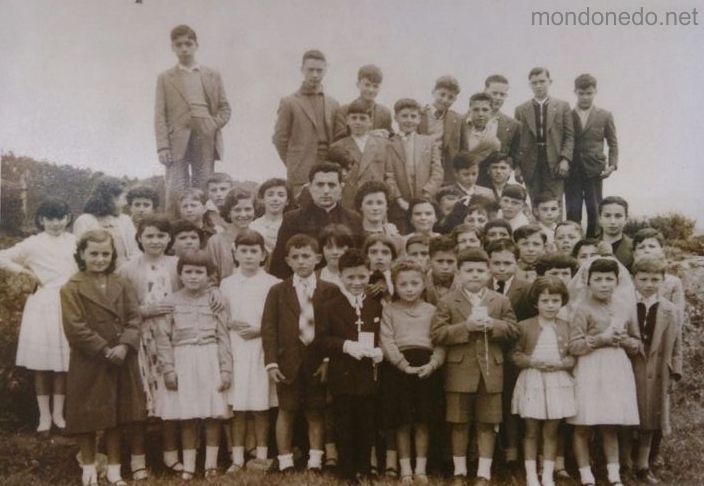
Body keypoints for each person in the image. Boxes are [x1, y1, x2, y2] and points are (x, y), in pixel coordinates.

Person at [60, 230, 146, 486]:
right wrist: (104, 349)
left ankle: (114, 471)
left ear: (112, 256)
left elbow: (134, 318)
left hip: (121, 359)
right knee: (88, 416)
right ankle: (88, 470)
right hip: (90, 361)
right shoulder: (71, 287)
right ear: (82, 255)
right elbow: (75, 327)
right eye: (94, 254)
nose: (100, 259)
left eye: (105, 254)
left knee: (116, 416)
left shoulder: (121, 283)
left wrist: (124, 345)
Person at [431, 247, 518, 485]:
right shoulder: (447, 301)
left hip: (491, 372)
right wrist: (465, 327)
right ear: (459, 273)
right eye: (469, 270)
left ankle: (484, 472)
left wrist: (494, 325)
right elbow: (437, 334)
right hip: (459, 372)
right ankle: (459, 471)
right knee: (459, 423)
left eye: (481, 270)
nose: (475, 275)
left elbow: (513, 330)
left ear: (489, 272)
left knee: (487, 423)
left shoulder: (500, 300)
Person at [0, 198, 77, 433]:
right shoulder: (33, 243)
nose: (55, 223)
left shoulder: (74, 241)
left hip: (68, 303)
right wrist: (25, 272)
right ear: (41, 220)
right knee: (43, 363)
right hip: (42, 303)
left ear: (67, 218)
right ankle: (44, 417)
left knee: (63, 363)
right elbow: (2, 257)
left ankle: (59, 415)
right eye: (50, 218)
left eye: (60, 218)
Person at [261, 234, 336, 473]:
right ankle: (285, 461)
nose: (301, 261)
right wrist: (272, 363)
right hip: (288, 361)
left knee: (316, 411)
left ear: (318, 258)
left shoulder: (329, 290)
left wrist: (327, 360)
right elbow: (269, 328)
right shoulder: (278, 291)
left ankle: (315, 460)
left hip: (317, 360)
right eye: (295, 257)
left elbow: (335, 328)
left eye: (306, 256)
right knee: (287, 410)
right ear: (287, 261)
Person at [156, 250, 232, 481]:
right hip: (183, 360)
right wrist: (168, 369)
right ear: (180, 274)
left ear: (209, 276)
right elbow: (163, 338)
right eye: (188, 272)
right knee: (186, 416)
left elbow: (223, 335)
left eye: (199, 272)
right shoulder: (170, 301)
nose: (193, 277)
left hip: (209, 358)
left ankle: (210, 464)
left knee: (212, 414)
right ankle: (189, 465)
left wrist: (226, 368)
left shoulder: (215, 300)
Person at [567, 257, 641, 486]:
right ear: (588, 282)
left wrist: (626, 341)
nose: (604, 284)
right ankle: (586, 473)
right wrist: (601, 339)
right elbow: (574, 346)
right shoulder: (582, 309)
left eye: (609, 279)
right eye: (598, 279)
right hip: (590, 367)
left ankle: (613, 474)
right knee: (583, 423)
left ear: (617, 282)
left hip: (616, 368)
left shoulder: (626, 307)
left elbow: (637, 342)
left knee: (610, 423)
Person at [116, 215, 180, 477]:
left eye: (161, 236)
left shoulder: (177, 265)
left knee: (171, 395)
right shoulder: (128, 269)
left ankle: (171, 455)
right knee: (140, 399)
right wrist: (146, 310)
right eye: (150, 236)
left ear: (169, 239)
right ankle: (138, 460)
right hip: (142, 341)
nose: (155, 241)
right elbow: (120, 310)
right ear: (139, 238)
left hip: (174, 338)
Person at [315, 249, 384, 481]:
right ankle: (346, 472)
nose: (356, 282)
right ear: (341, 276)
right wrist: (346, 346)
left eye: (362, 277)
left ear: (369, 275)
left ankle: (364, 468)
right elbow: (322, 340)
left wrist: (378, 350)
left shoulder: (375, 304)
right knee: (344, 422)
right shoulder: (329, 305)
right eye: (350, 277)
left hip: (367, 374)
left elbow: (381, 333)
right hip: (342, 375)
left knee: (367, 422)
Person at [380, 258, 446, 484]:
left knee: (422, 420)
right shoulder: (390, 310)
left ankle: (421, 469)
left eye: (414, 284)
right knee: (402, 420)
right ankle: (405, 469)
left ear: (423, 285)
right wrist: (402, 364)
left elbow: (440, 341)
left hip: (426, 368)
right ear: (395, 286)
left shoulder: (432, 310)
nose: (409, 289)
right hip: (398, 369)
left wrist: (433, 364)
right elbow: (386, 341)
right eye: (403, 284)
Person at [219, 230, 280, 472]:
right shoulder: (227, 283)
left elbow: (275, 320)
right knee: (238, 406)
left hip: (260, 349)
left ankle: (260, 457)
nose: (248, 256)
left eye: (254, 251)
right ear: (235, 253)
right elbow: (221, 315)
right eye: (243, 251)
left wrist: (259, 330)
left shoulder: (272, 283)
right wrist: (230, 322)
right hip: (235, 349)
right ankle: (237, 458)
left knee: (260, 405)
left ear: (263, 254)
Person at [155, 25, 231, 216]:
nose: (184, 48)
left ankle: (204, 230)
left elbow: (225, 108)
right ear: (172, 47)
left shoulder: (212, 75)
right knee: (175, 188)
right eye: (179, 44)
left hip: (204, 136)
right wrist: (162, 146)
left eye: (188, 44)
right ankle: (173, 233)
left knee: (204, 186)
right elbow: (159, 114)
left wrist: (211, 125)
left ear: (196, 45)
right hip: (176, 140)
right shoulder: (165, 78)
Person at [511, 277, 576, 486]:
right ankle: (531, 475)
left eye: (555, 301)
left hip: (558, 382)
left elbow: (573, 356)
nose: (550, 305)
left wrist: (562, 364)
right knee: (531, 430)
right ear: (535, 303)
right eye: (545, 300)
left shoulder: (567, 326)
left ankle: (547, 475)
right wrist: (533, 362)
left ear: (562, 302)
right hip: (532, 381)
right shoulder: (524, 326)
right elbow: (514, 354)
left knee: (551, 431)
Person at [628, 257, 682, 484]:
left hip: (658, 369)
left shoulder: (670, 309)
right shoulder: (626, 305)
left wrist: (675, 372)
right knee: (629, 414)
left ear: (663, 281)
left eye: (654, 280)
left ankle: (642, 463)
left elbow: (677, 343)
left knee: (651, 417)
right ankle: (624, 462)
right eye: (643, 279)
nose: (649, 284)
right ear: (634, 279)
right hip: (631, 366)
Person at [269, 163, 363, 279]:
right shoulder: (292, 219)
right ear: (310, 187)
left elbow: (361, 260)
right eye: (320, 185)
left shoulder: (354, 219)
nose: (326, 191)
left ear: (341, 187)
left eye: (332, 185)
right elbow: (280, 263)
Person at [272, 49, 340, 196]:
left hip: (329, 171)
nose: (315, 75)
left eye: (319, 70)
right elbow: (279, 139)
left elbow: (338, 139)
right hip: (300, 173)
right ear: (302, 69)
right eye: (310, 70)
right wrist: (294, 163)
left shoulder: (333, 104)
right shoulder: (289, 102)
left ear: (325, 71)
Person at [566, 74, 619, 238]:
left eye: (589, 93)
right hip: (572, 169)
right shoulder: (566, 114)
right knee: (572, 208)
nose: (585, 97)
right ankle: (574, 243)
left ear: (595, 91)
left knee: (594, 208)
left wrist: (612, 165)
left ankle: (593, 243)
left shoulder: (605, 115)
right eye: (581, 93)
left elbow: (613, 143)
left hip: (595, 169)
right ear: (575, 92)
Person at [514, 67, 574, 204]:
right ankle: (535, 226)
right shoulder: (521, 110)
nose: (538, 86)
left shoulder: (562, 106)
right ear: (530, 85)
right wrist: (517, 167)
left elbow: (569, 135)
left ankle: (556, 226)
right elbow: (517, 140)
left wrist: (565, 159)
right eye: (534, 83)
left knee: (554, 202)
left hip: (555, 162)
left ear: (550, 81)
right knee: (535, 201)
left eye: (542, 81)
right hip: (530, 163)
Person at [385, 98, 444, 232]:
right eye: (404, 116)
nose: (409, 120)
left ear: (419, 119)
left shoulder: (429, 142)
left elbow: (437, 172)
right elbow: (389, 175)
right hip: (400, 206)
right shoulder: (389, 143)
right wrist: (399, 199)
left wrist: (425, 196)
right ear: (396, 118)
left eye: (413, 116)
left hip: (425, 204)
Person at [331, 99, 389, 209]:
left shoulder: (383, 144)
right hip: (348, 201)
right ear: (347, 120)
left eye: (363, 118)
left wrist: (386, 195)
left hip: (375, 201)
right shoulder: (337, 147)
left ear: (370, 121)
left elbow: (389, 174)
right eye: (354, 118)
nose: (358, 122)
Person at [73, 176, 139, 269]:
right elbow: (81, 256)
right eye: (123, 198)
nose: (126, 203)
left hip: (124, 276)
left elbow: (135, 252)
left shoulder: (125, 220)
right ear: (110, 197)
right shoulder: (85, 220)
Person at [418, 75, 463, 184]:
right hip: (420, 167)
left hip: (445, 172)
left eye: (450, 97)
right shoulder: (419, 114)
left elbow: (462, 148)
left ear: (455, 99)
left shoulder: (456, 119)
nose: (445, 100)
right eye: (442, 94)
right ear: (433, 92)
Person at [334, 64, 393, 140]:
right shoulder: (344, 110)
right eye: (367, 85)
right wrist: (369, 135)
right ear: (358, 84)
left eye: (375, 86)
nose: (371, 90)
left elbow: (391, 139)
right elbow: (339, 139)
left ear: (380, 88)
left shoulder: (385, 113)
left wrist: (387, 135)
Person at [206, 189, 256, 279]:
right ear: (228, 213)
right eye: (237, 210)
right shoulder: (215, 242)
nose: (243, 214)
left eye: (248, 209)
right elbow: (210, 277)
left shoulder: (261, 238)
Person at [481, 75, 521, 184]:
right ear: (485, 91)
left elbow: (514, 154)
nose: (498, 97)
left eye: (502, 94)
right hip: (471, 178)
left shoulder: (513, 125)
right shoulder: (466, 119)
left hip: (498, 181)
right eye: (494, 93)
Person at [459, 92, 502, 181]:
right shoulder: (459, 125)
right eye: (476, 109)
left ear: (491, 111)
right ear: (470, 110)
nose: (480, 114)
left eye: (485, 110)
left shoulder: (493, 138)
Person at [354, 181, 403, 251]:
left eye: (379, 203)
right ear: (360, 206)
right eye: (369, 203)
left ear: (387, 206)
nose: (375, 208)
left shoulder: (396, 239)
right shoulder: (353, 236)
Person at [249, 178, 292, 257]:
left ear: (287, 201)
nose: (275, 199)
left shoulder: (292, 226)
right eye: (270, 195)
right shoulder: (253, 227)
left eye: (281, 195)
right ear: (262, 199)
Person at [597, 196, 633, 268]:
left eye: (618, 216)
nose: (612, 221)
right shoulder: (590, 246)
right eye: (607, 216)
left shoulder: (634, 247)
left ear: (626, 219)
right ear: (600, 219)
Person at [318, 224, 355, 289]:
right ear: (322, 249)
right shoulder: (312, 278)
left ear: (349, 248)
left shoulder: (360, 276)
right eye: (329, 247)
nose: (335, 252)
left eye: (340, 247)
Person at [425, 236, 458, 306]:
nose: (445, 267)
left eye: (450, 262)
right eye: (440, 261)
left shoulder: (464, 285)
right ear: (430, 261)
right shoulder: (422, 284)